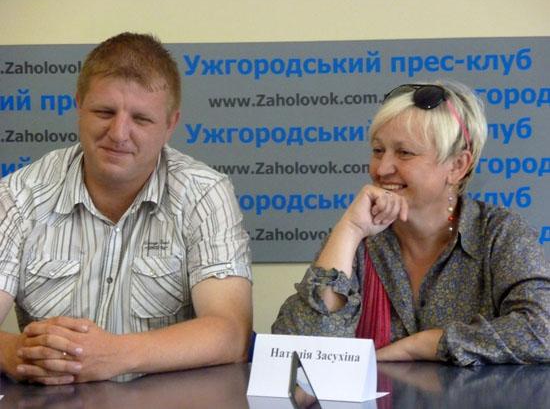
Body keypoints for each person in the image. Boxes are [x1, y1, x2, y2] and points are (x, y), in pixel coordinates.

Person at [0, 32, 252, 384]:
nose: (119, 133)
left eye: (141, 119)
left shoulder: (204, 194)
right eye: (104, 112)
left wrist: (114, 355)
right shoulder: (18, 195)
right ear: (79, 107)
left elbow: (231, 334)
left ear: (170, 125)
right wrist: (14, 352)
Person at [272, 81, 550, 365]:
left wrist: (425, 345)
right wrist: (350, 230)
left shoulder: (498, 234)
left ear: (457, 166)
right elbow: (296, 354)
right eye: (378, 150)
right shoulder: (359, 239)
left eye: (404, 153)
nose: (382, 169)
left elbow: (543, 331)